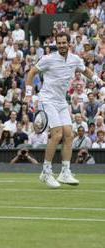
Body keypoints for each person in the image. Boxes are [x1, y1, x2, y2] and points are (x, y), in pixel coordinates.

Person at [25, 32, 104, 188]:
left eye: (64, 43)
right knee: (57, 133)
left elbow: (85, 70)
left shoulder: (75, 59)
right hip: (46, 100)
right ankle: (46, 172)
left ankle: (65, 172)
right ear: (56, 44)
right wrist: (28, 95)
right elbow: (31, 72)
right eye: (58, 43)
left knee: (69, 134)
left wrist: (98, 80)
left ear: (69, 44)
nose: (61, 45)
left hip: (61, 102)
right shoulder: (48, 59)